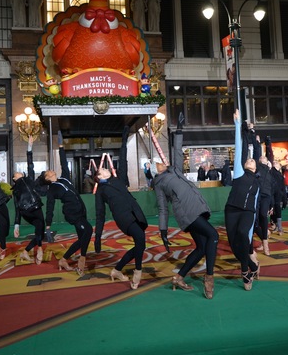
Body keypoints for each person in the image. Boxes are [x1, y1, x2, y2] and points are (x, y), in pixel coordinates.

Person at [152, 119, 218, 299]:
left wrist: (179, 131)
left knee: (202, 247)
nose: (162, 162)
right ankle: (209, 277)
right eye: (158, 163)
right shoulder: (159, 183)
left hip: (196, 208)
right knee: (213, 236)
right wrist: (163, 230)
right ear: (154, 170)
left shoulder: (174, 171)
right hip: (187, 213)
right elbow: (163, 208)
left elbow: (177, 153)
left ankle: (178, 277)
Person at [95, 126, 148, 289]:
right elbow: (100, 214)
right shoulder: (101, 191)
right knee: (140, 240)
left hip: (136, 214)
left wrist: (124, 140)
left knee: (141, 245)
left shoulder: (118, 180)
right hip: (124, 219)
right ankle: (137, 272)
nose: (104, 168)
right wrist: (97, 237)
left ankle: (117, 270)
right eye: (102, 169)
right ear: (99, 176)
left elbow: (123, 159)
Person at [45, 131, 91, 275]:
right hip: (73, 213)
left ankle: (80, 260)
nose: (52, 170)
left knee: (83, 236)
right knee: (88, 231)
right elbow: (50, 206)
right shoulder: (51, 189)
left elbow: (64, 163)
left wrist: (61, 147)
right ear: (47, 177)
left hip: (81, 209)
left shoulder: (64, 179)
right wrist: (48, 224)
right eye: (49, 171)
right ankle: (68, 259)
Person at [224, 109, 260, 291]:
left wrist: (254, 226)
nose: (250, 160)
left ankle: (245, 272)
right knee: (234, 244)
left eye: (253, 160)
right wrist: (237, 124)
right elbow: (239, 148)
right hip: (231, 210)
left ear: (256, 166)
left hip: (247, 212)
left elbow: (255, 203)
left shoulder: (258, 181)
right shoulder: (239, 173)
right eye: (248, 160)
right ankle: (253, 267)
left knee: (243, 236)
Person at [12, 136, 46, 265]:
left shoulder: (29, 179)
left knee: (40, 231)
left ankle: (26, 251)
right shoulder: (16, 189)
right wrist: (16, 225)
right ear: (14, 179)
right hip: (28, 210)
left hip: (35, 207)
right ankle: (40, 250)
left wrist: (29, 147)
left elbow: (30, 164)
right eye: (16, 174)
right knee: (40, 229)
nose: (18, 173)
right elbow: (16, 207)